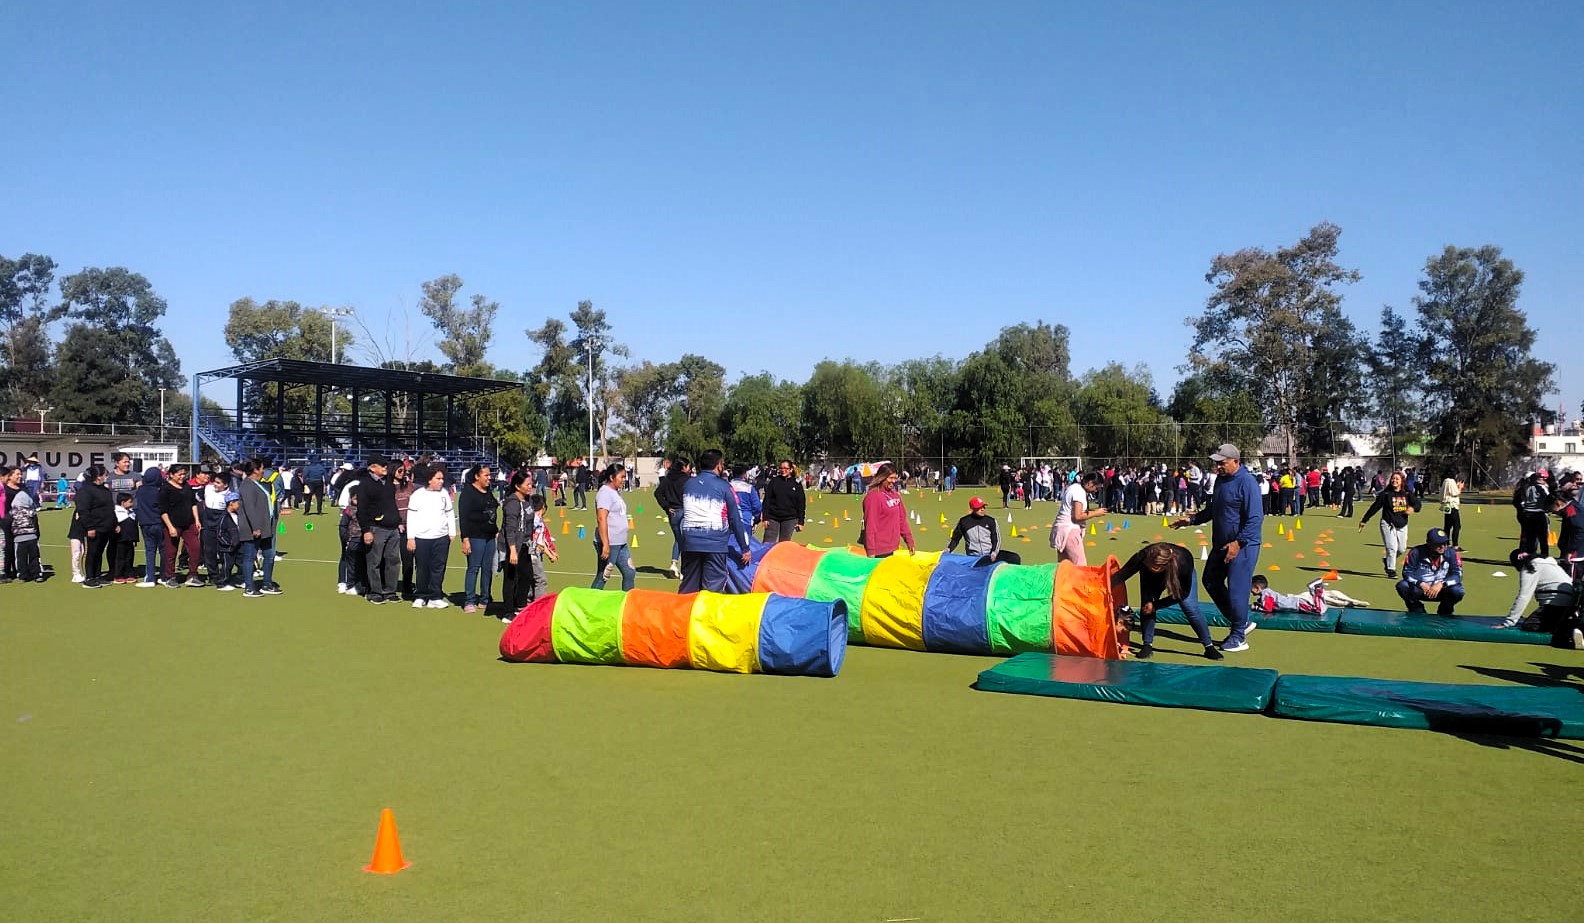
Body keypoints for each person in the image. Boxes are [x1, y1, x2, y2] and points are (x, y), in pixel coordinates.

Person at [1172, 443, 1262, 653]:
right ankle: (1241, 622)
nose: (1218, 467)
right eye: (1216, 463)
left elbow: (1256, 518)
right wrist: (1192, 520)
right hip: (1221, 544)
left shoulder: (1247, 483)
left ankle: (1239, 636)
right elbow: (1215, 509)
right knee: (1210, 580)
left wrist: (1238, 543)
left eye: (1222, 463)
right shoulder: (1221, 481)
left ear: (1236, 462)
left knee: (1237, 591)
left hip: (1243, 546)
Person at [1111, 542, 1221, 660]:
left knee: (1190, 608)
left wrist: (1156, 605)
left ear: (1158, 567)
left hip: (1181, 580)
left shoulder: (1184, 561)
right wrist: (1105, 587)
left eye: (1150, 566)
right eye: (1146, 564)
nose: (1146, 566)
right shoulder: (1143, 556)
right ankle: (1147, 645)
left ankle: (1209, 647)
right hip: (1150, 579)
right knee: (1146, 606)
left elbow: (1182, 594)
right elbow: (1122, 575)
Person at [678, 449, 751, 592]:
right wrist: (745, 548)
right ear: (719, 465)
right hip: (715, 544)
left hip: (690, 543)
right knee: (713, 589)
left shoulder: (688, 484)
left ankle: (683, 613)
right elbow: (735, 519)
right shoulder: (724, 486)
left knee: (689, 587)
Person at [405, 464, 456, 610]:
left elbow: (449, 513)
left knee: (438, 567)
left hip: (441, 538)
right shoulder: (418, 495)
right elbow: (411, 517)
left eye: (442, 479)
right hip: (421, 538)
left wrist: (451, 532)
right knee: (422, 568)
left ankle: (435, 596)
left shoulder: (444, 494)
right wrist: (411, 538)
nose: (441, 481)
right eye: (438, 478)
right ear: (429, 480)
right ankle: (421, 595)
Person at [357, 456, 402, 605]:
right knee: (374, 561)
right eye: (381, 465)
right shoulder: (365, 484)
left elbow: (391, 504)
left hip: (393, 527)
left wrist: (398, 521)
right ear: (372, 468)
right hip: (376, 528)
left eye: (385, 465)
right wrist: (366, 530)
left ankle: (390, 591)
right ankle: (375, 592)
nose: (385, 467)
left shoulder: (388, 483)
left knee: (393, 561)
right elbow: (361, 509)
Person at [1359, 470, 1420, 578]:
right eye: (1393, 478)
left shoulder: (1406, 493)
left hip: (1402, 525)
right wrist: (1364, 520)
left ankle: (1387, 560)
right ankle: (1391, 570)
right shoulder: (1386, 494)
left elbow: (1417, 504)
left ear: (1402, 481)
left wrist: (1412, 508)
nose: (1394, 480)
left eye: (1397, 479)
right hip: (1388, 524)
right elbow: (1375, 507)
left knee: (1401, 549)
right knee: (1392, 548)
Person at [457, 463, 499, 614]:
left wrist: (495, 531)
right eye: (486, 475)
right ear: (477, 476)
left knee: (487, 569)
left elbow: (492, 510)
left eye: (489, 475)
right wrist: (465, 539)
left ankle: (485, 598)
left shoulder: (488, 491)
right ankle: (469, 600)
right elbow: (463, 518)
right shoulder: (468, 493)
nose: (489, 478)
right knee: (474, 568)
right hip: (475, 536)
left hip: (489, 536)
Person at [1394, 527, 1464, 615]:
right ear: (1429, 543)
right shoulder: (1416, 552)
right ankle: (1417, 609)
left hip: (1442, 590)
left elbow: (1458, 575)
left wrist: (1442, 584)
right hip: (1421, 589)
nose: (1443, 546)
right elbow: (1407, 572)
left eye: (1445, 543)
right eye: (1438, 544)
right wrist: (1420, 583)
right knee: (1402, 586)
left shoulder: (1452, 553)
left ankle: (1445, 610)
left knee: (1458, 590)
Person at [592, 463, 637, 591]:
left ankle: (627, 603)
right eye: (621, 477)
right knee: (603, 576)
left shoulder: (615, 492)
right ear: (612, 477)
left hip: (621, 542)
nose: (624, 480)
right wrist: (605, 544)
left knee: (629, 572)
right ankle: (590, 603)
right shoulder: (605, 493)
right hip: (610, 543)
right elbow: (601, 518)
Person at [158, 465, 203, 588]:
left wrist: (197, 520)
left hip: (189, 524)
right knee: (171, 551)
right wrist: (170, 527)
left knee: (195, 548)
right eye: (179, 474)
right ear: (171, 475)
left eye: (184, 474)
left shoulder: (187, 486)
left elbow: (193, 503)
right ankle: (170, 577)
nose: (182, 477)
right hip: (172, 524)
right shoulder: (165, 489)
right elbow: (163, 510)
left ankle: (192, 575)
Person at [501, 471, 538, 615]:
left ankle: (520, 604)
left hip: (525, 545)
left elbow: (529, 523)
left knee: (527, 575)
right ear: (517, 486)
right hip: (512, 546)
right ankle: (508, 611)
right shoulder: (512, 504)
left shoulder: (527, 501)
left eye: (531, 484)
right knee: (511, 578)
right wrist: (513, 551)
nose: (530, 486)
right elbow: (509, 529)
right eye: (527, 484)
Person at [860, 463, 915, 559]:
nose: (893, 481)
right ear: (882, 477)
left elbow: (902, 520)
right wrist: (871, 552)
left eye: (895, 478)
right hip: (878, 551)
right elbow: (870, 526)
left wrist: (909, 541)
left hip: (893, 548)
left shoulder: (895, 495)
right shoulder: (873, 497)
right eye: (890, 478)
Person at [1051, 472, 1106, 566]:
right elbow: (1077, 516)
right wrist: (1096, 513)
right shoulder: (1079, 492)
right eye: (1096, 488)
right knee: (1080, 566)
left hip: (1061, 529)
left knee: (1064, 567)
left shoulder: (1074, 487)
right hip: (1069, 530)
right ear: (1090, 483)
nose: (1096, 491)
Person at [74, 465, 115, 589]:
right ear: (98, 477)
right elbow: (83, 510)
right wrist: (90, 527)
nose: (106, 477)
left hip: (106, 526)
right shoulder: (85, 491)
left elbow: (110, 508)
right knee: (92, 552)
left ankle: (97, 575)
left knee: (99, 552)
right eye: (104, 475)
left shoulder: (105, 490)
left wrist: (115, 523)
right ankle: (89, 577)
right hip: (94, 527)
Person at [946, 496, 1020, 564]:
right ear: (972, 508)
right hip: (973, 557)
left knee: (1014, 558)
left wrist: (994, 553)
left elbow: (996, 539)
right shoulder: (964, 521)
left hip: (989, 554)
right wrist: (949, 549)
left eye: (984, 507)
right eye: (979, 507)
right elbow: (955, 539)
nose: (982, 509)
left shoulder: (991, 521)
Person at [654, 457, 691, 579]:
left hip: (673, 513)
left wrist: (666, 506)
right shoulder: (687, 480)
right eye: (688, 466)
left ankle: (674, 563)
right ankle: (685, 570)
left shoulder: (668, 479)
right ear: (683, 467)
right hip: (684, 512)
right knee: (684, 540)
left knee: (678, 539)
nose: (689, 469)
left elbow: (658, 493)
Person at [7, 467, 42, 582]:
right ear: (10, 476)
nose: (20, 476)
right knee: (9, 549)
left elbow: (31, 508)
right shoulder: (4, 490)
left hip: (26, 527)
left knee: (30, 553)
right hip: (9, 524)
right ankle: (9, 571)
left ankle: (31, 572)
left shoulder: (23, 489)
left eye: (20, 474)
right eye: (17, 474)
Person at [761, 460, 807, 543]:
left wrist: (801, 522)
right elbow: (767, 500)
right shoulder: (774, 481)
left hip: (790, 518)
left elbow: (801, 504)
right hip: (773, 517)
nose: (783, 470)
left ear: (791, 470)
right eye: (781, 468)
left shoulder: (796, 484)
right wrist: (765, 517)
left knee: (784, 544)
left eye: (786, 468)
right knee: (768, 543)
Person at [1514, 470, 1551, 558]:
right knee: (1542, 537)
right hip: (1539, 513)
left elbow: (1519, 501)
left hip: (1527, 514)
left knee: (1528, 536)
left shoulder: (1524, 487)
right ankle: (1544, 556)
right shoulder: (1540, 487)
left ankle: (1525, 554)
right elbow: (1549, 498)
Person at [1251, 575, 1328, 614]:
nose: (1250, 591)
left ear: (1257, 588)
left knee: (1319, 610)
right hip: (1295, 602)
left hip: (1297, 604)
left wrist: (1256, 607)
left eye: (1250, 588)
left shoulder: (1266, 593)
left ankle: (1316, 589)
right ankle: (1318, 588)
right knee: (1321, 608)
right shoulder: (1267, 593)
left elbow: (1268, 609)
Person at [112, 492, 139, 583]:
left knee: (129, 557)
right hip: (120, 539)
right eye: (130, 502)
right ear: (123, 503)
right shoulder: (116, 512)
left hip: (130, 539)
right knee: (120, 557)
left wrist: (135, 538)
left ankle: (129, 573)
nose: (132, 504)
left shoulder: (132, 512)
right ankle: (118, 574)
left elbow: (134, 525)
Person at [1440, 470, 1465, 550]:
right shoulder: (1451, 481)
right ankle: (1455, 545)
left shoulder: (1445, 481)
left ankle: (1446, 543)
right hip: (1452, 505)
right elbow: (1455, 493)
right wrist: (1460, 487)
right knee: (1457, 526)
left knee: (1447, 526)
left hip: (1446, 505)